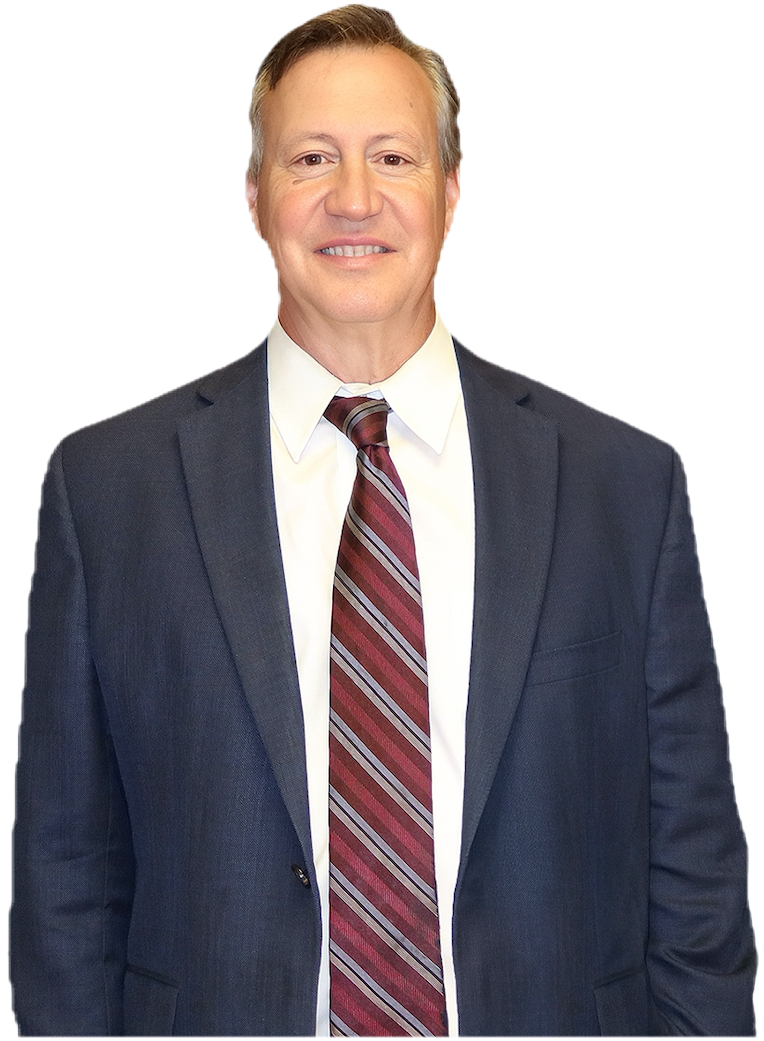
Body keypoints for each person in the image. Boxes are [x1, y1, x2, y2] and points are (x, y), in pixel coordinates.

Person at [9, 4, 757, 1038]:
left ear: (452, 195)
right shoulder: (105, 489)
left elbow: (694, 866)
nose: (353, 197)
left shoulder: (621, 489)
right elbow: (65, 875)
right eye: (311, 158)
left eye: (393, 157)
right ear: (253, 197)